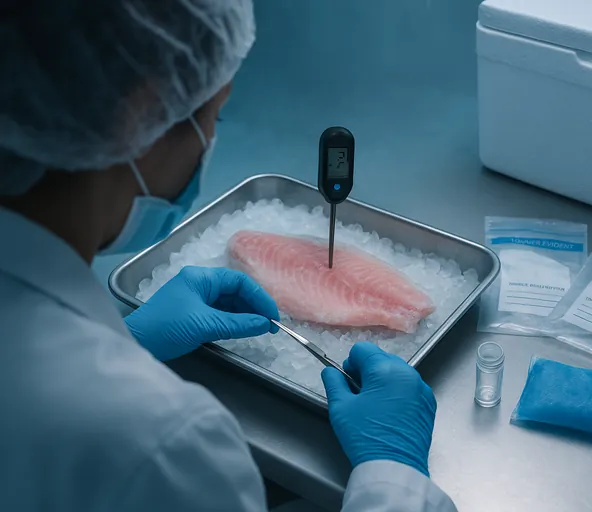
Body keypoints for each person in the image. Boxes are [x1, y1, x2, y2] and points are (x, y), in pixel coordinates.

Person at [0, 2, 457, 511]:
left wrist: (128, 341)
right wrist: (393, 472)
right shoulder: (165, 445)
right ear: (140, 117)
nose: (211, 139)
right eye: (213, 115)